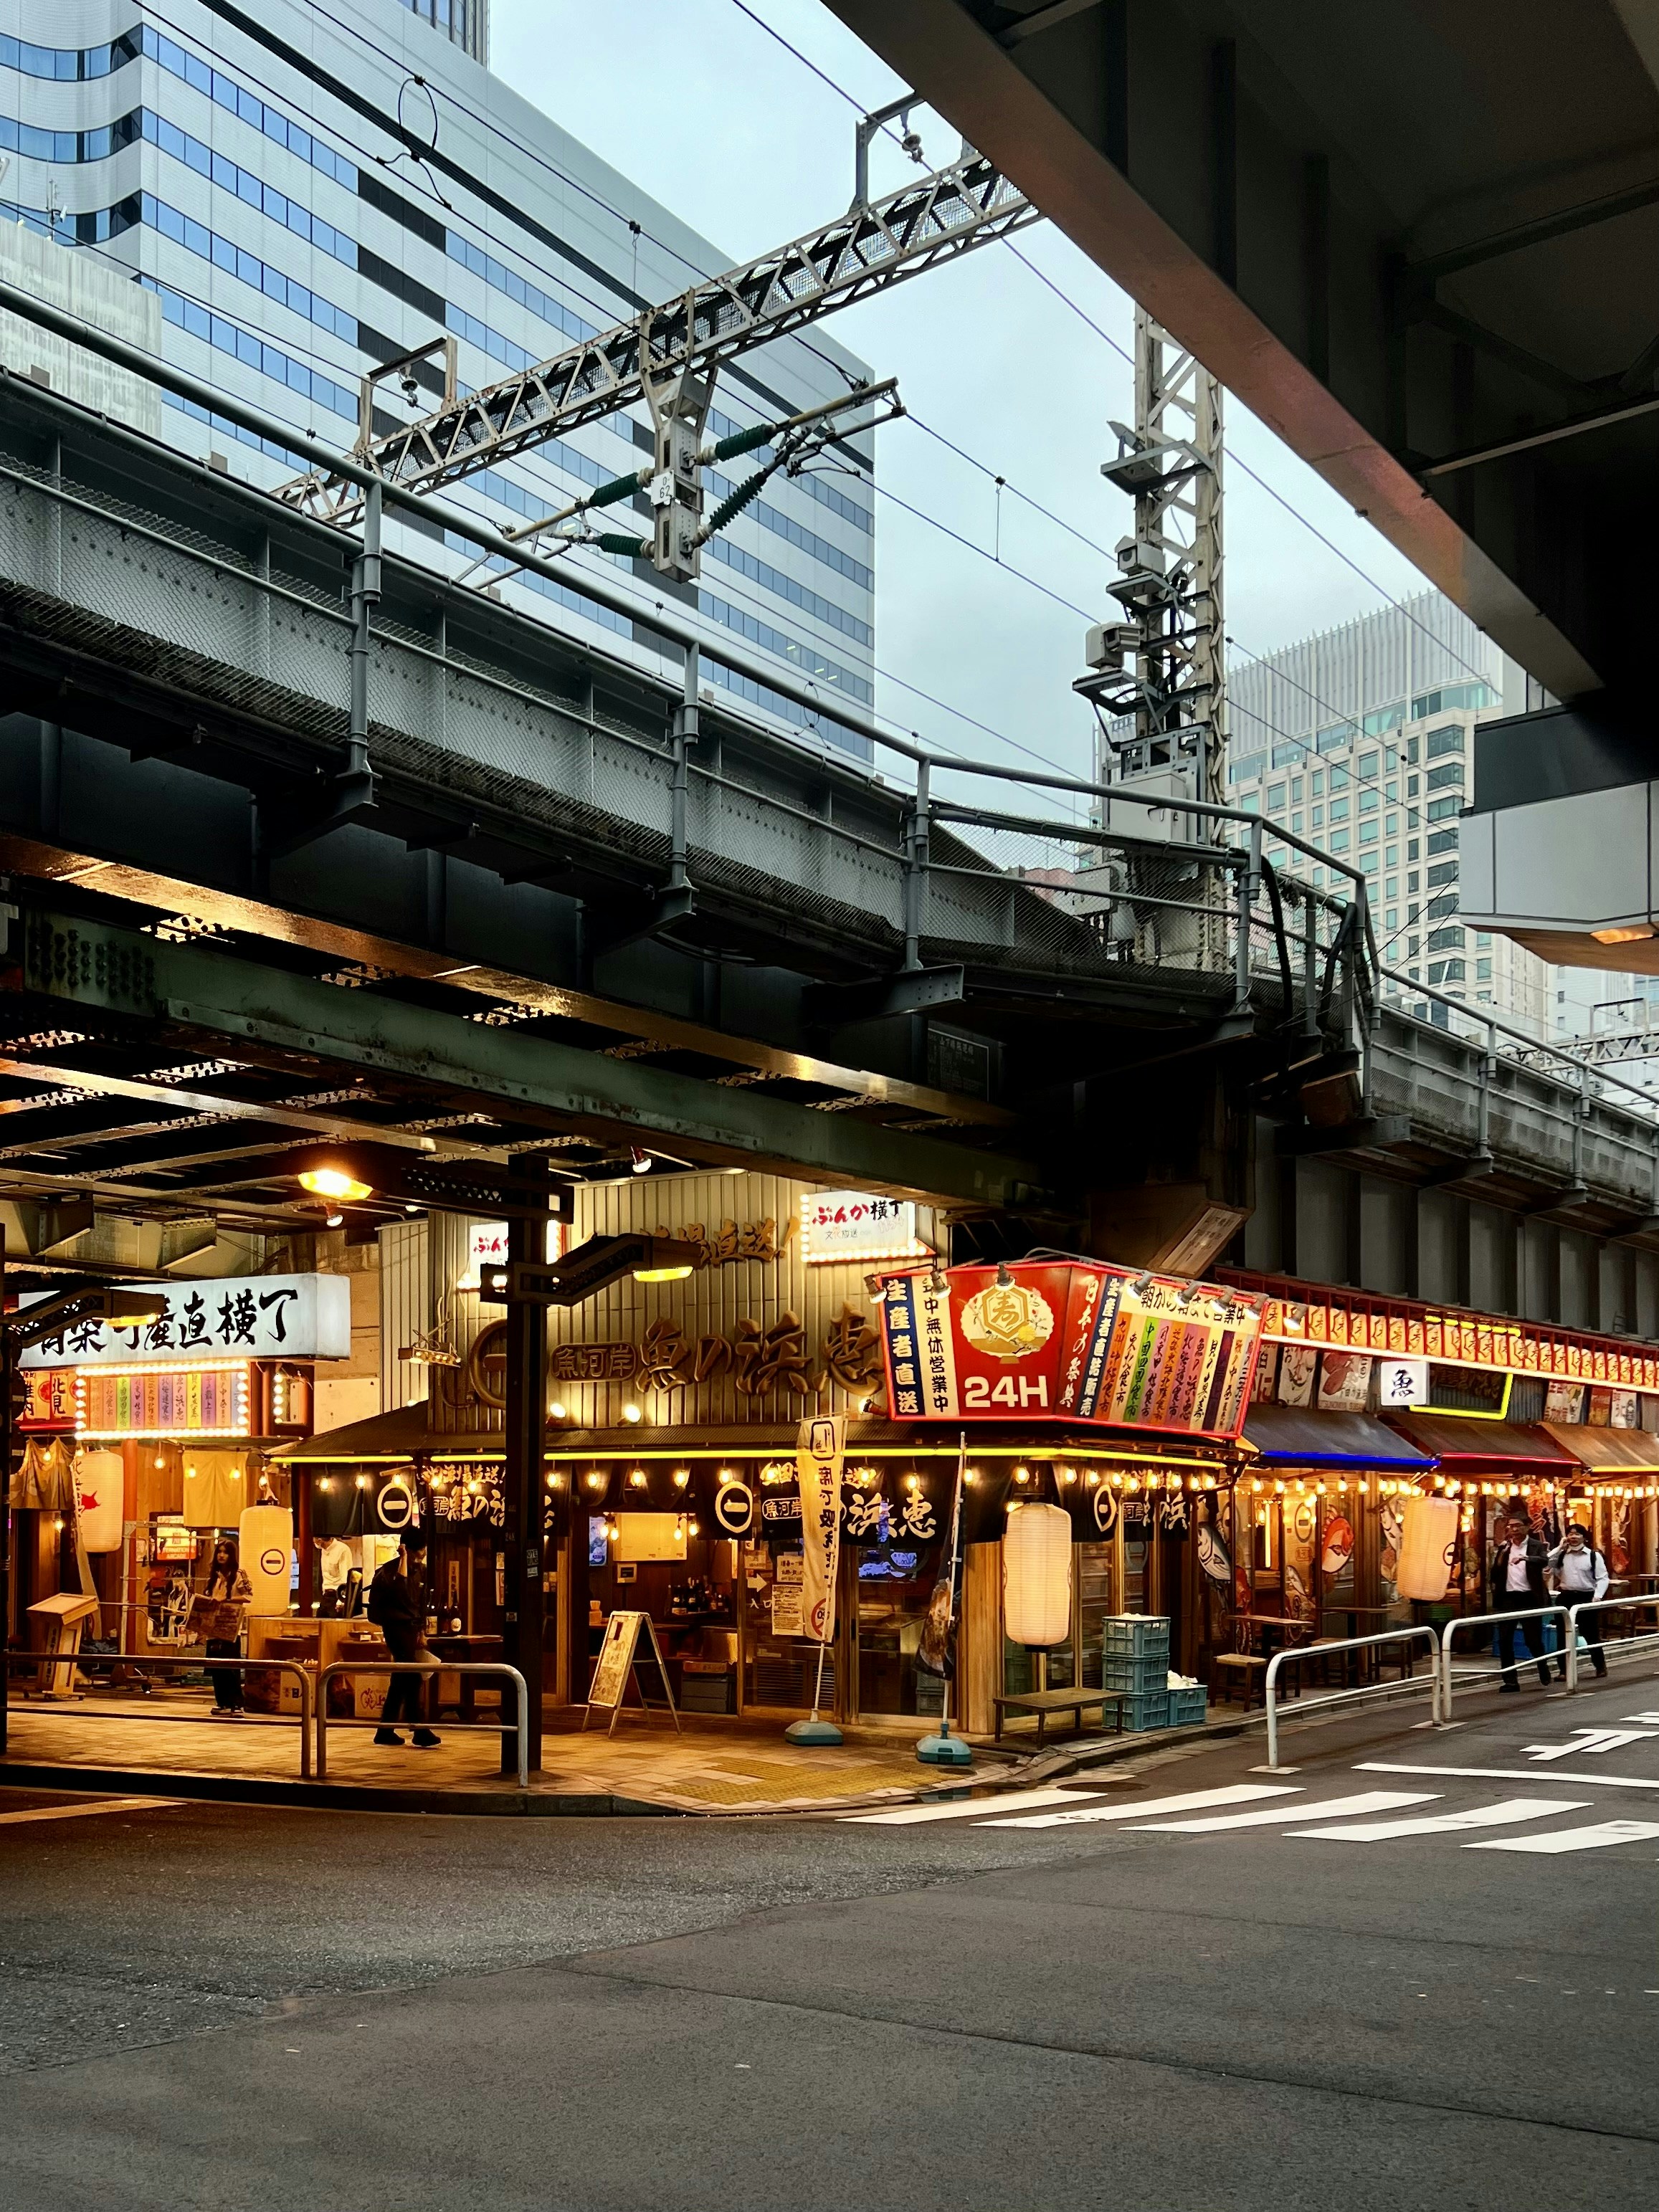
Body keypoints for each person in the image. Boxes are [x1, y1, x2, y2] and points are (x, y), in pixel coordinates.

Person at [366, 1530, 440, 1749]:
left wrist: (422, 1630)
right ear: (408, 1549)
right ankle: (419, 1730)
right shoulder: (388, 1572)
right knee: (412, 1677)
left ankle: (385, 1730)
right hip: (395, 1628)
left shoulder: (422, 1571)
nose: (423, 1554)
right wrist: (404, 1559)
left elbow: (421, 1603)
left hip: (412, 1629)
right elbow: (400, 1592)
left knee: (401, 1680)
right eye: (420, 1550)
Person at [1490, 1510, 1551, 1690]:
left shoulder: (1535, 1545)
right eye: (1511, 1526)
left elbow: (1543, 1560)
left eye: (1518, 1526)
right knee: (1504, 1639)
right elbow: (1494, 1575)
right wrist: (1502, 1555)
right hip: (1508, 1598)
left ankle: (1543, 1668)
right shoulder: (1504, 1548)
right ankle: (1510, 1680)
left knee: (1533, 1640)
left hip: (1529, 1597)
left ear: (1527, 1527)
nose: (1514, 1530)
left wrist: (1525, 1558)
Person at [1549, 1522, 1610, 1679]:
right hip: (1566, 1596)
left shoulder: (1593, 1556)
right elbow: (1546, 1564)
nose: (1573, 1537)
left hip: (1586, 1597)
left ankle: (1600, 1666)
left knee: (1591, 1633)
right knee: (1562, 1634)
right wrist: (1559, 1548)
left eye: (1577, 1534)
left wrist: (1597, 1597)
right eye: (1570, 1534)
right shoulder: (1562, 1555)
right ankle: (1564, 1670)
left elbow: (1603, 1578)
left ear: (1584, 1537)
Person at [203, 1538, 253, 1715]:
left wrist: (227, 1599)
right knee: (216, 1668)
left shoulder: (239, 1574)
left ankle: (236, 1703)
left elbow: (249, 1596)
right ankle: (221, 1702)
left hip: (230, 1628)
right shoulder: (213, 1576)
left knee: (230, 1667)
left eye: (225, 1552)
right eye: (219, 1552)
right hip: (212, 1628)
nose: (222, 1555)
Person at [315, 1533, 353, 1619]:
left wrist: (341, 1600)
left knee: (334, 1625)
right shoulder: (323, 1548)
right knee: (319, 1623)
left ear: (320, 1541)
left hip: (337, 1595)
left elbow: (345, 1576)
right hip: (326, 1595)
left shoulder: (342, 1550)